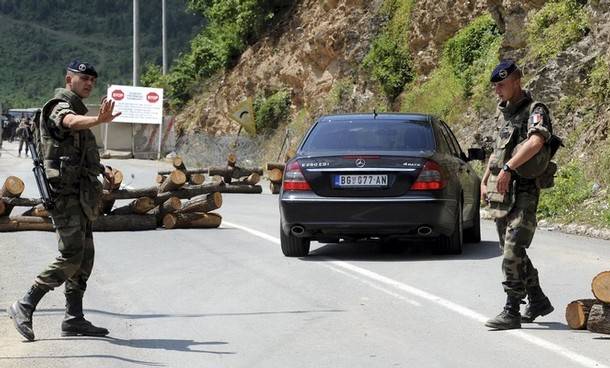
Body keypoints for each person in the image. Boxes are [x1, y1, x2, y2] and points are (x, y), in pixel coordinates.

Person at [7, 59, 121, 341]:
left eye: (92, 80)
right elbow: (67, 121)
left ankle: (74, 318)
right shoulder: (59, 106)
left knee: (85, 259)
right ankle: (24, 304)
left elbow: (79, 155)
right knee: (71, 256)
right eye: (83, 78)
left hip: (81, 195)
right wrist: (98, 120)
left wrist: (102, 169)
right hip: (65, 196)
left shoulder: (80, 111)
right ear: (69, 79)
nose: (89, 83)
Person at [480, 60, 555, 330]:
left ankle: (512, 309)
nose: (497, 91)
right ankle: (537, 299)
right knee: (513, 250)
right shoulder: (506, 114)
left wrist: (509, 168)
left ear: (516, 81)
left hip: (524, 190)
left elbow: (536, 142)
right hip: (502, 191)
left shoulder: (536, 110)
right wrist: (488, 176)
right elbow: (499, 150)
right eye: (495, 86)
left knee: (512, 250)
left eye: (501, 84)